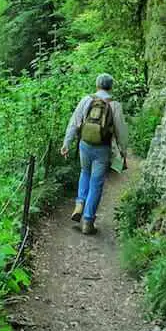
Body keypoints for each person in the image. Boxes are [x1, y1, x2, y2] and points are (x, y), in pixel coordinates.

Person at [60, 73, 128, 235]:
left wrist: (66, 144)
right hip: (102, 149)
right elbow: (121, 132)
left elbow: (74, 123)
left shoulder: (87, 100)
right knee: (96, 182)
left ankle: (79, 204)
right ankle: (88, 221)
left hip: (85, 145)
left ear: (97, 85)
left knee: (84, 172)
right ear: (110, 87)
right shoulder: (115, 105)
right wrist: (123, 151)